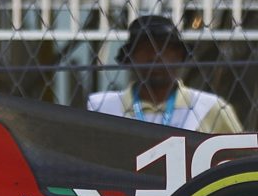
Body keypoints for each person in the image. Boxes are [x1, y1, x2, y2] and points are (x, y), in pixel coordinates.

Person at [88, 14, 244, 131]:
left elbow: (241, 159)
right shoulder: (101, 108)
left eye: (164, 48)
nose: (155, 56)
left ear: (180, 55)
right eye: (145, 48)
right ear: (130, 57)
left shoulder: (210, 108)